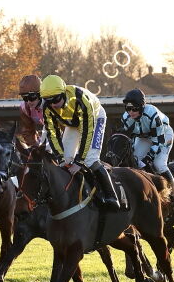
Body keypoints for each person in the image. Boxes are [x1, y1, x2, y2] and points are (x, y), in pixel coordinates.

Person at [40, 74, 119, 209]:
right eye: (48, 101)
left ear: (64, 93)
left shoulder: (80, 99)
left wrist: (79, 162)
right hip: (74, 123)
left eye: (56, 99)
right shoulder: (46, 107)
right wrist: (60, 158)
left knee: (89, 159)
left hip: (95, 117)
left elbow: (87, 133)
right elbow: (53, 134)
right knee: (65, 160)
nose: (53, 104)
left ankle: (111, 196)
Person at [119, 89, 174, 185]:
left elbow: (158, 142)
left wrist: (148, 158)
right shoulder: (126, 118)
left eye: (134, 109)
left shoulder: (153, 115)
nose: (131, 112)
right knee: (136, 161)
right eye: (128, 109)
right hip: (144, 137)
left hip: (163, 135)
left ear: (141, 107)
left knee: (159, 165)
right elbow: (129, 139)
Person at [17, 74, 47, 148]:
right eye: (24, 98)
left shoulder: (52, 103)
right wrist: (34, 145)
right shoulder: (25, 109)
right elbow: (28, 130)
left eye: (31, 97)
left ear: (40, 94)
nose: (29, 102)